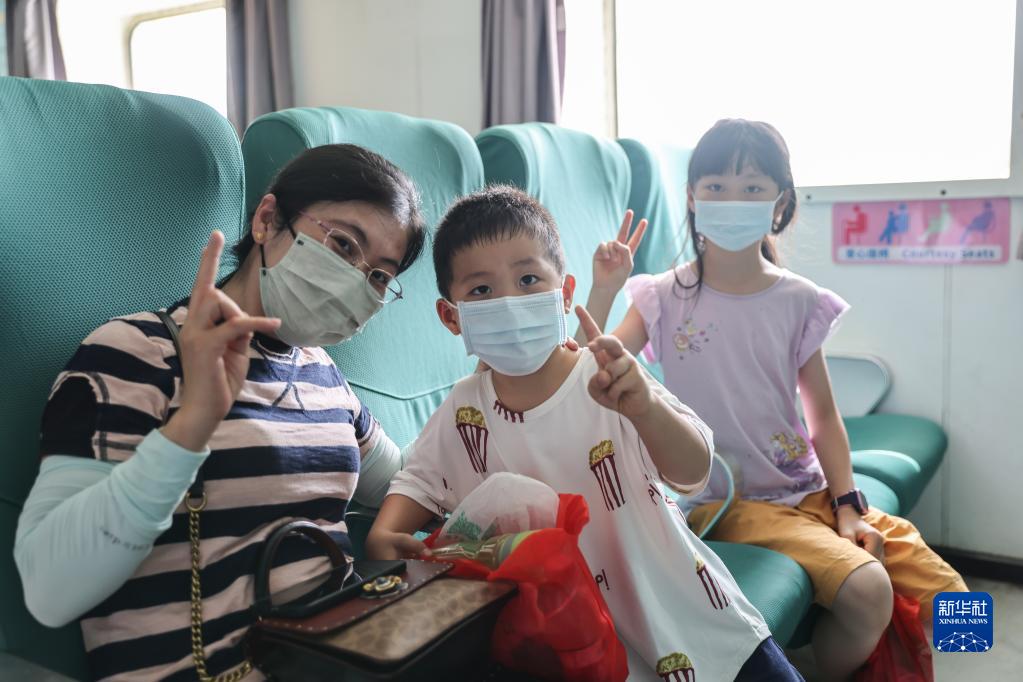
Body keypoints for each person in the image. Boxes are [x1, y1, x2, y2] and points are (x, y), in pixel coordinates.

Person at [15, 144, 426, 681]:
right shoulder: (134, 353)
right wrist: (191, 427)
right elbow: (50, 590)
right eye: (343, 245)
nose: (356, 279)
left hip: (341, 656)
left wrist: (499, 397)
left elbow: (406, 482)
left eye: (378, 277)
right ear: (267, 220)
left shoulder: (323, 374)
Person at [366, 185, 803, 681]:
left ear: (566, 293)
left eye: (528, 279)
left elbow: (693, 470)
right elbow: (416, 484)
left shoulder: (610, 377)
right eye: (481, 291)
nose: (510, 302)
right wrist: (384, 536)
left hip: (695, 620)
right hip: (576, 652)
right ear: (452, 317)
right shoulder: (463, 411)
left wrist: (646, 410)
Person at [584, 118, 967, 679]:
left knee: (952, 598)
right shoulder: (663, 296)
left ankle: (964, 658)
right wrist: (605, 289)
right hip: (727, 502)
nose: (731, 201)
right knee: (869, 588)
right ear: (691, 197)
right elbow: (595, 369)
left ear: (780, 203)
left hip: (807, 489)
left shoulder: (800, 301)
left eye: (752, 188)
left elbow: (824, 418)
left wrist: (847, 506)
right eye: (716, 187)